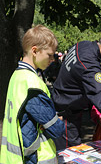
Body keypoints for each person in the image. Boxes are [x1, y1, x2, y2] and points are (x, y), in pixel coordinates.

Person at [51, 27, 101, 150]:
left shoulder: (83, 45)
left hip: (64, 108)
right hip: (66, 115)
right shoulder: (89, 64)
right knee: (69, 155)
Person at [0, 25, 65, 164]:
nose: (52, 59)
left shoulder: (17, 76)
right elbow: (56, 130)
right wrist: (57, 120)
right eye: (49, 55)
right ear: (35, 50)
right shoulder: (32, 83)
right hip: (36, 158)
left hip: (14, 157)